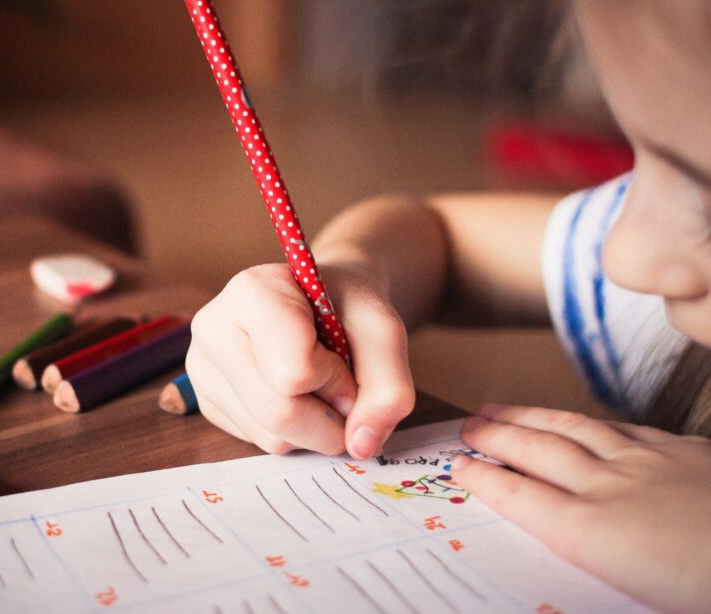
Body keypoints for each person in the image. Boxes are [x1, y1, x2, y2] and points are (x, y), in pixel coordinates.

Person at [185, 1, 711, 611]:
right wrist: (352, 276)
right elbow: (439, 235)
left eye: (705, 199)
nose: (620, 255)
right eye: (636, 159)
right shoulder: (661, 259)